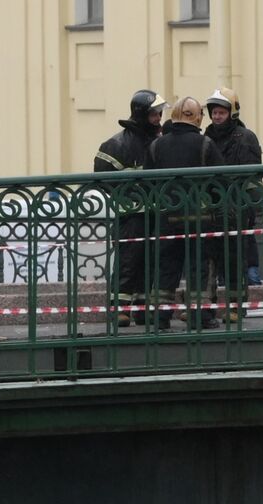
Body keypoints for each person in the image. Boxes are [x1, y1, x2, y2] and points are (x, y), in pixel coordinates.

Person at [145, 97, 225, 330]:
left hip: (166, 217)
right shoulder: (205, 144)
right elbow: (220, 180)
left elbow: (147, 182)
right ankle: (201, 315)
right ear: (197, 117)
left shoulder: (156, 145)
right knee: (200, 265)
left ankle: (159, 317)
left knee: (166, 265)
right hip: (199, 217)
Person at [94, 89, 166, 328]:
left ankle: (142, 309)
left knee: (151, 261)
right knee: (129, 259)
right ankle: (119, 308)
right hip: (131, 216)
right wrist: (128, 199)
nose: (159, 118)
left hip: (155, 212)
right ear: (142, 113)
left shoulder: (159, 141)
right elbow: (103, 177)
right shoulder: (117, 144)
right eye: (155, 114)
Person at [204, 88, 263, 320]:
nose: (217, 117)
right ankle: (207, 305)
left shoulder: (245, 137)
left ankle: (235, 307)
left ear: (232, 112)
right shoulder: (206, 137)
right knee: (209, 257)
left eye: (221, 112)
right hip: (211, 209)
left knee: (235, 258)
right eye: (214, 112)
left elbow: (251, 176)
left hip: (236, 208)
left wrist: (248, 208)